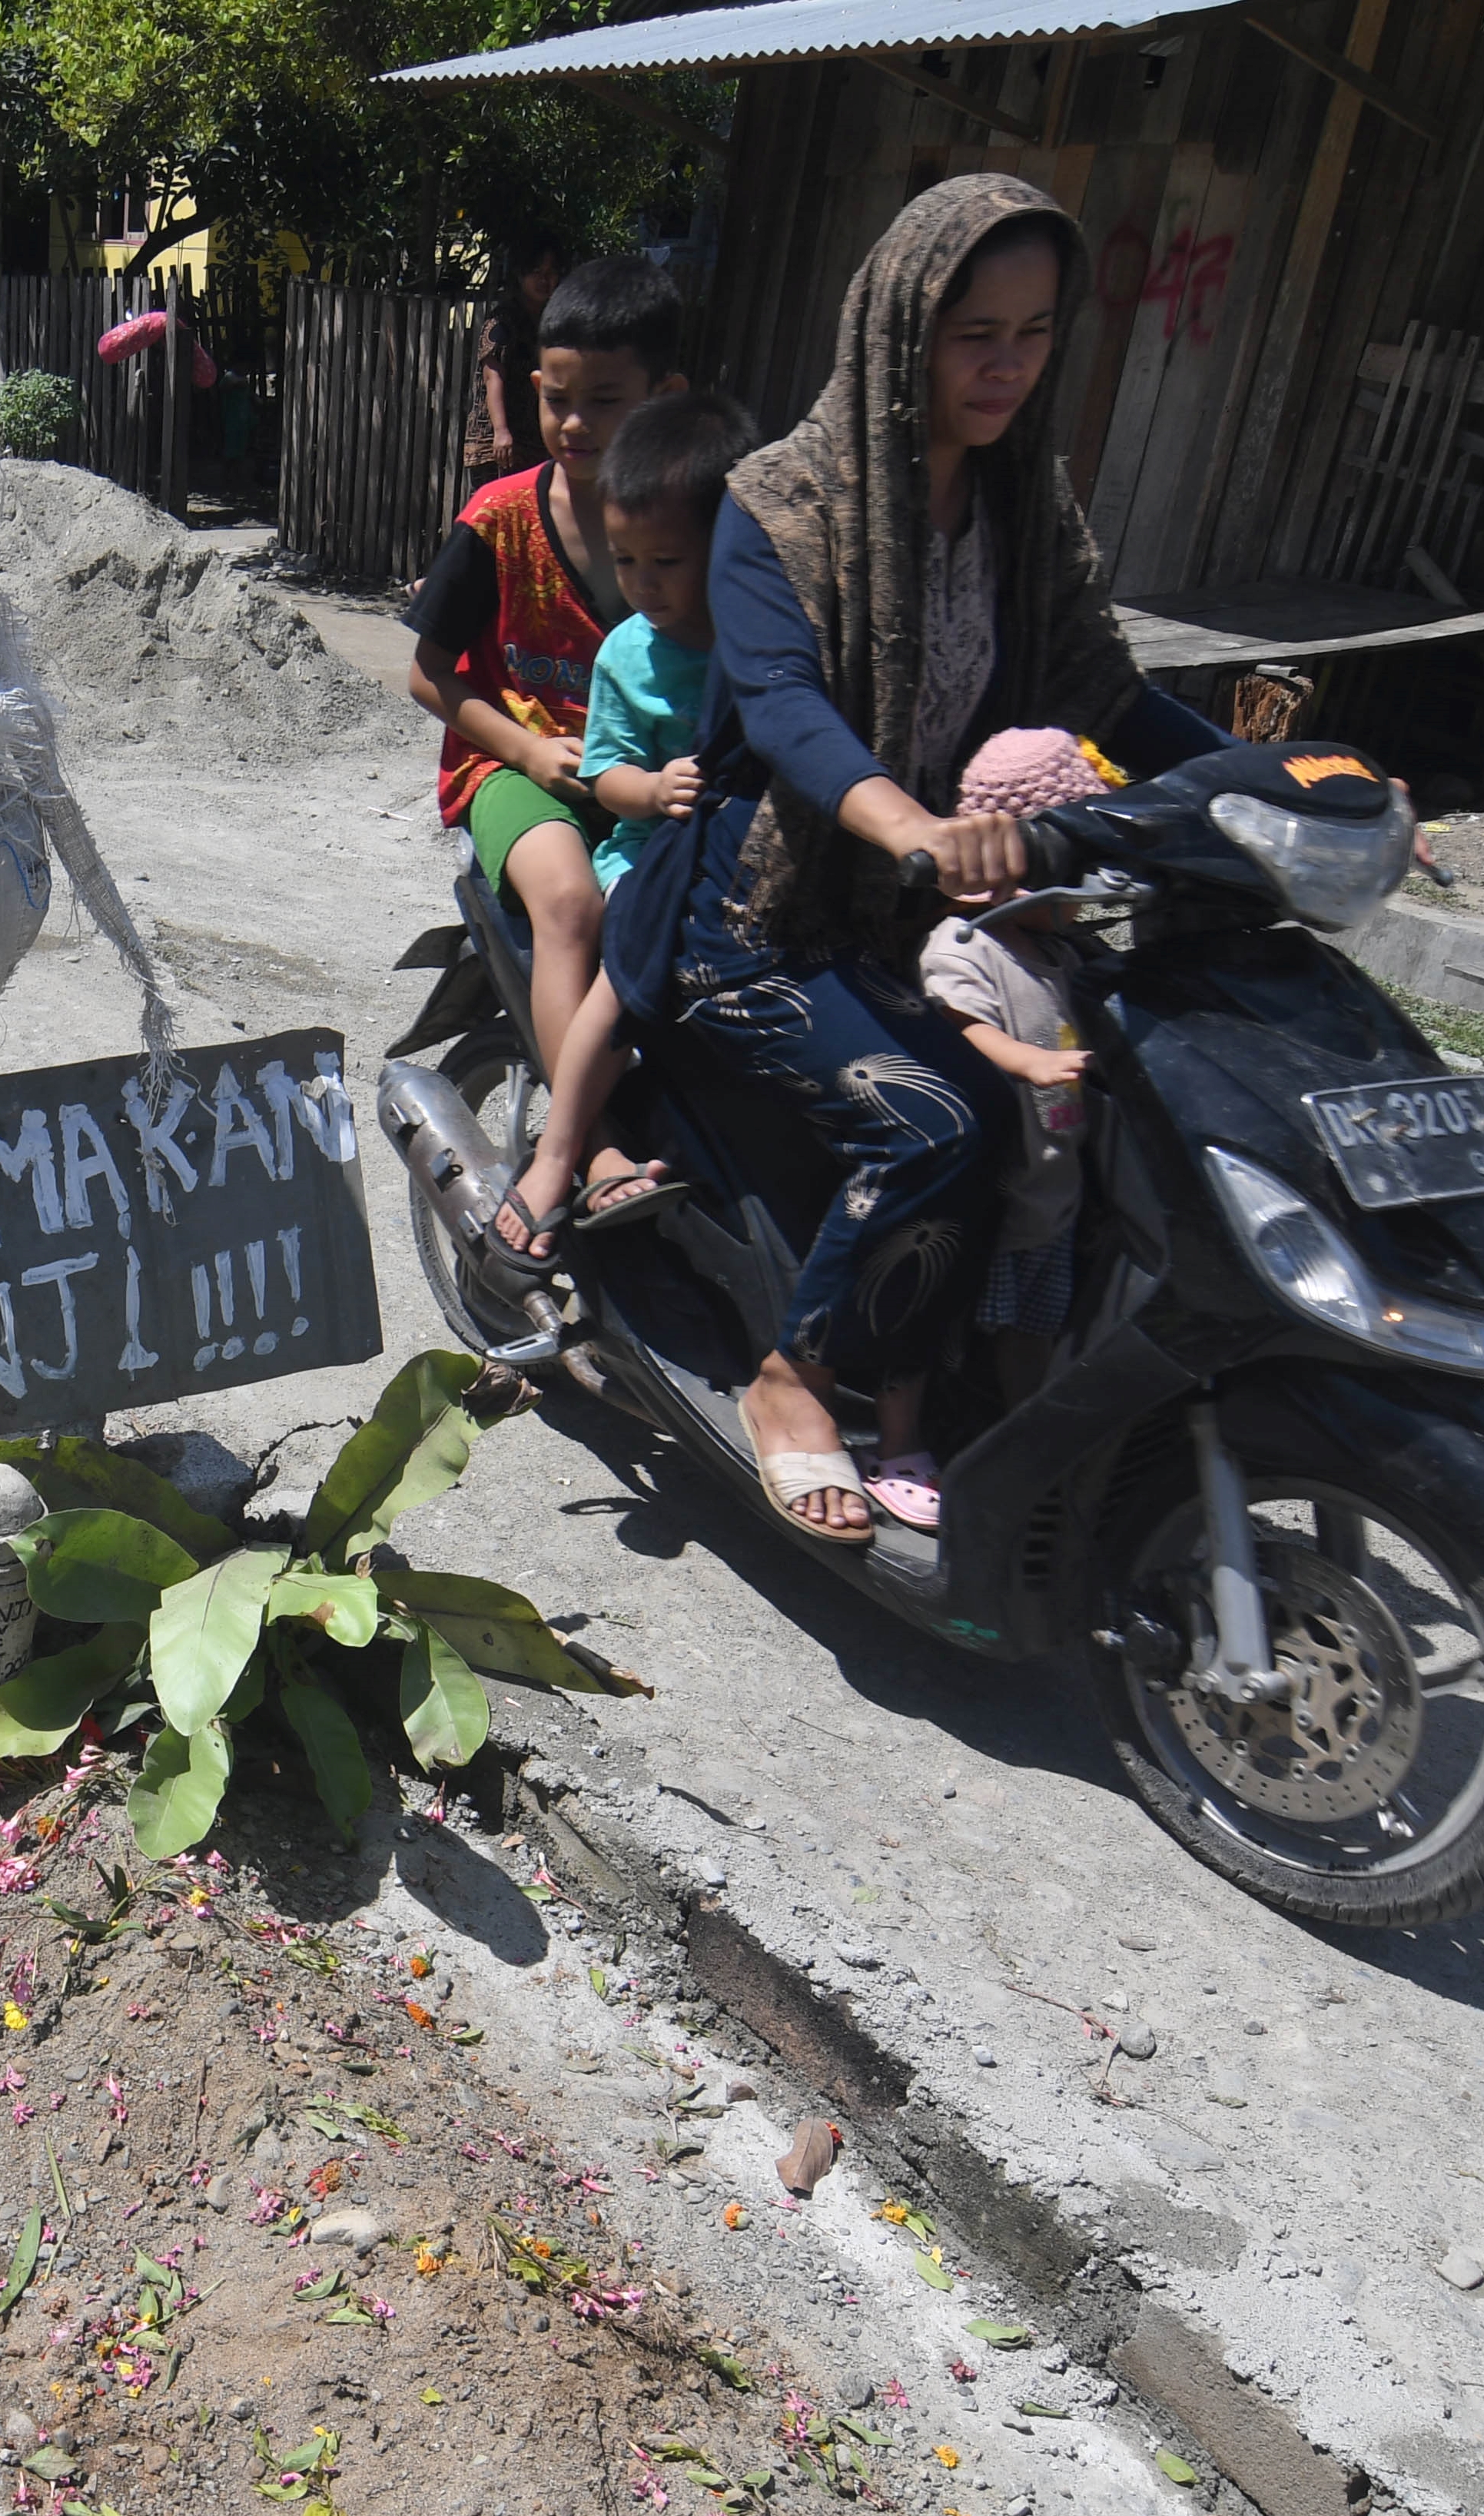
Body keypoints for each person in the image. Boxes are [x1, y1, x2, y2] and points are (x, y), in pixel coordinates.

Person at [593, 175, 1229, 1542]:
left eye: (1032, 332)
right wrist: (914, 830)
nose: (1003, 365)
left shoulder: (1022, 504)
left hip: (935, 909)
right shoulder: (780, 502)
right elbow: (782, 709)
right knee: (940, 1113)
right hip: (759, 912)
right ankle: (789, 1375)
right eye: (970, 333)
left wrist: (1284, 779)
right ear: (896, 331)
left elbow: (1105, 693)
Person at [402, 255, 693, 1260]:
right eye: (559, 401)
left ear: (665, 399)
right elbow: (428, 675)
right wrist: (527, 745)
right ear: (533, 391)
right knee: (573, 906)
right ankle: (586, 1147)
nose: (574, 426)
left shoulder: (693, 525)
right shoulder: (499, 521)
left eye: (602, 403)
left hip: (647, 778)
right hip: (512, 776)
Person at [899, 728, 1120, 1515]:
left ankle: (1032, 1433)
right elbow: (958, 1022)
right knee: (969, 1328)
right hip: (998, 1190)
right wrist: (1019, 1060)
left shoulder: (1058, 953)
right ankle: (980, 1442)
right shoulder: (963, 946)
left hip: (1052, 1191)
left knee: (1034, 1325)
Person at [580, 389, 754, 897]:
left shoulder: (760, 636)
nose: (642, 584)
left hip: (737, 854)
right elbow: (606, 774)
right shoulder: (624, 655)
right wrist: (654, 790)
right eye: (624, 560)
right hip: (647, 854)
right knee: (635, 943)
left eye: (666, 562)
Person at [460, 229, 566, 498]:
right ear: (520, 275)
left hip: (533, 445)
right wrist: (501, 431)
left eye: (551, 272)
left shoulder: (550, 323)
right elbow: (493, 375)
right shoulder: (503, 320)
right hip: (497, 445)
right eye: (536, 272)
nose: (545, 280)